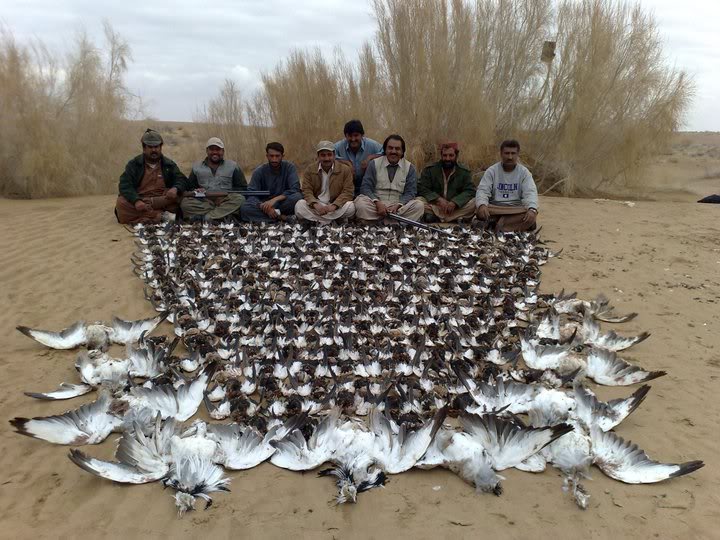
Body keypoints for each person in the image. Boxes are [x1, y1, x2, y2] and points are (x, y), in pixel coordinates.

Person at [115, 129, 186, 224]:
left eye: (156, 147)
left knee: (181, 199)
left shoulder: (169, 164)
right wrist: (136, 201)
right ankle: (160, 216)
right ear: (144, 148)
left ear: (161, 147)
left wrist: (175, 188)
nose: (154, 150)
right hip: (142, 200)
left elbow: (181, 179)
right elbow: (124, 185)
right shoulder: (134, 164)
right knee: (121, 203)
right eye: (150, 147)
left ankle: (148, 217)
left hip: (162, 200)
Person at [354, 134, 424, 223]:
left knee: (419, 206)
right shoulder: (374, 164)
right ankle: (395, 222)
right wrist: (377, 203)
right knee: (360, 204)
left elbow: (411, 192)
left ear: (402, 152)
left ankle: (378, 221)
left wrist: (398, 205)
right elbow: (365, 187)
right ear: (385, 150)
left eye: (397, 149)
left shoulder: (410, 168)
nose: (393, 151)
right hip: (376, 205)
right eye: (390, 148)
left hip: (398, 207)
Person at [475, 139, 539, 232]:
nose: (510, 157)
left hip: (515, 209)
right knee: (477, 207)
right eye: (507, 153)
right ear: (501, 154)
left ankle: (496, 224)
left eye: (513, 153)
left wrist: (532, 209)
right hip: (495, 208)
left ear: (518, 154)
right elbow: (483, 190)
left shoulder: (524, 173)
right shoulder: (492, 171)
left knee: (531, 214)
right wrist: (482, 205)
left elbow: (530, 193)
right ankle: (508, 225)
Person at [179, 137, 247, 222]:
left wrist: (224, 197)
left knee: (240, 199)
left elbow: (242, 188)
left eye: (218, 149)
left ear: (223, 151)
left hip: (226, 201)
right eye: (211, 149)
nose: (215, 152)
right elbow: (190, 188)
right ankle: (220, 216)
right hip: (205, 202)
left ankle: (205, 218)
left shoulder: (233, 166)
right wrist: (197, 191)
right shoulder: (196, 167)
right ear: (207, 151)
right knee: (185, 203)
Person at [295, 141, 356, 225]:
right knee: (299, 206)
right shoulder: (310, 169)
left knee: (351, 207)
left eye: (329, 155)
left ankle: (319, 220)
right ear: (318, 156)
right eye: (323, 155)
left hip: (335, 205)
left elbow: (348, 192)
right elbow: (306, 190)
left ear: (334, 155)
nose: (326, 158)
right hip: (317, 205)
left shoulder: (345, 170)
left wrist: (334, 206)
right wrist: (315, 204)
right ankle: (332, 221)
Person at [240, 142, 302, 222]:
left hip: (283, 202)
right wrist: (263, 206)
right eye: (271, 156)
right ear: (267, 156)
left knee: (297, 197)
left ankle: (270, 217)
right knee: (245, 208)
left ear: (282, 156)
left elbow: (295, 189)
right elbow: (251, 194)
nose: (274, 159)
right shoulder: (259, 171)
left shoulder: (289, 167)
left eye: (277, 156)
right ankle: (282, 217)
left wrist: (274, 200)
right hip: (264, 205)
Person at [417, 142, 477, 223]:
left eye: (451, 155)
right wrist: (438, 199)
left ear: (456, 156)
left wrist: (455, 202)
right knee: (418, 201)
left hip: (455, 208)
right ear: (441, 156)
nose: (447, 159)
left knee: (475, 202)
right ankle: (453, 218)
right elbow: (421, 188)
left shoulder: (464, 172)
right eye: (445, 155)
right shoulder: (430, 170)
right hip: (435, 206)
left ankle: (439, 217)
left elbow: (470, 190)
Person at [334, 119, 383, 195]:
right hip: (346, 187)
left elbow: (385, 153)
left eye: (356, 135)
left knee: (373, 163)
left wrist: (370, 158)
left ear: (362, 135)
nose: (353, 139)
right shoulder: (339, 146)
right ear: (345, 136)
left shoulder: (371, 144)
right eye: (350, 136)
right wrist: (347, 163)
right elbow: (327, 156)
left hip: (368, 186)